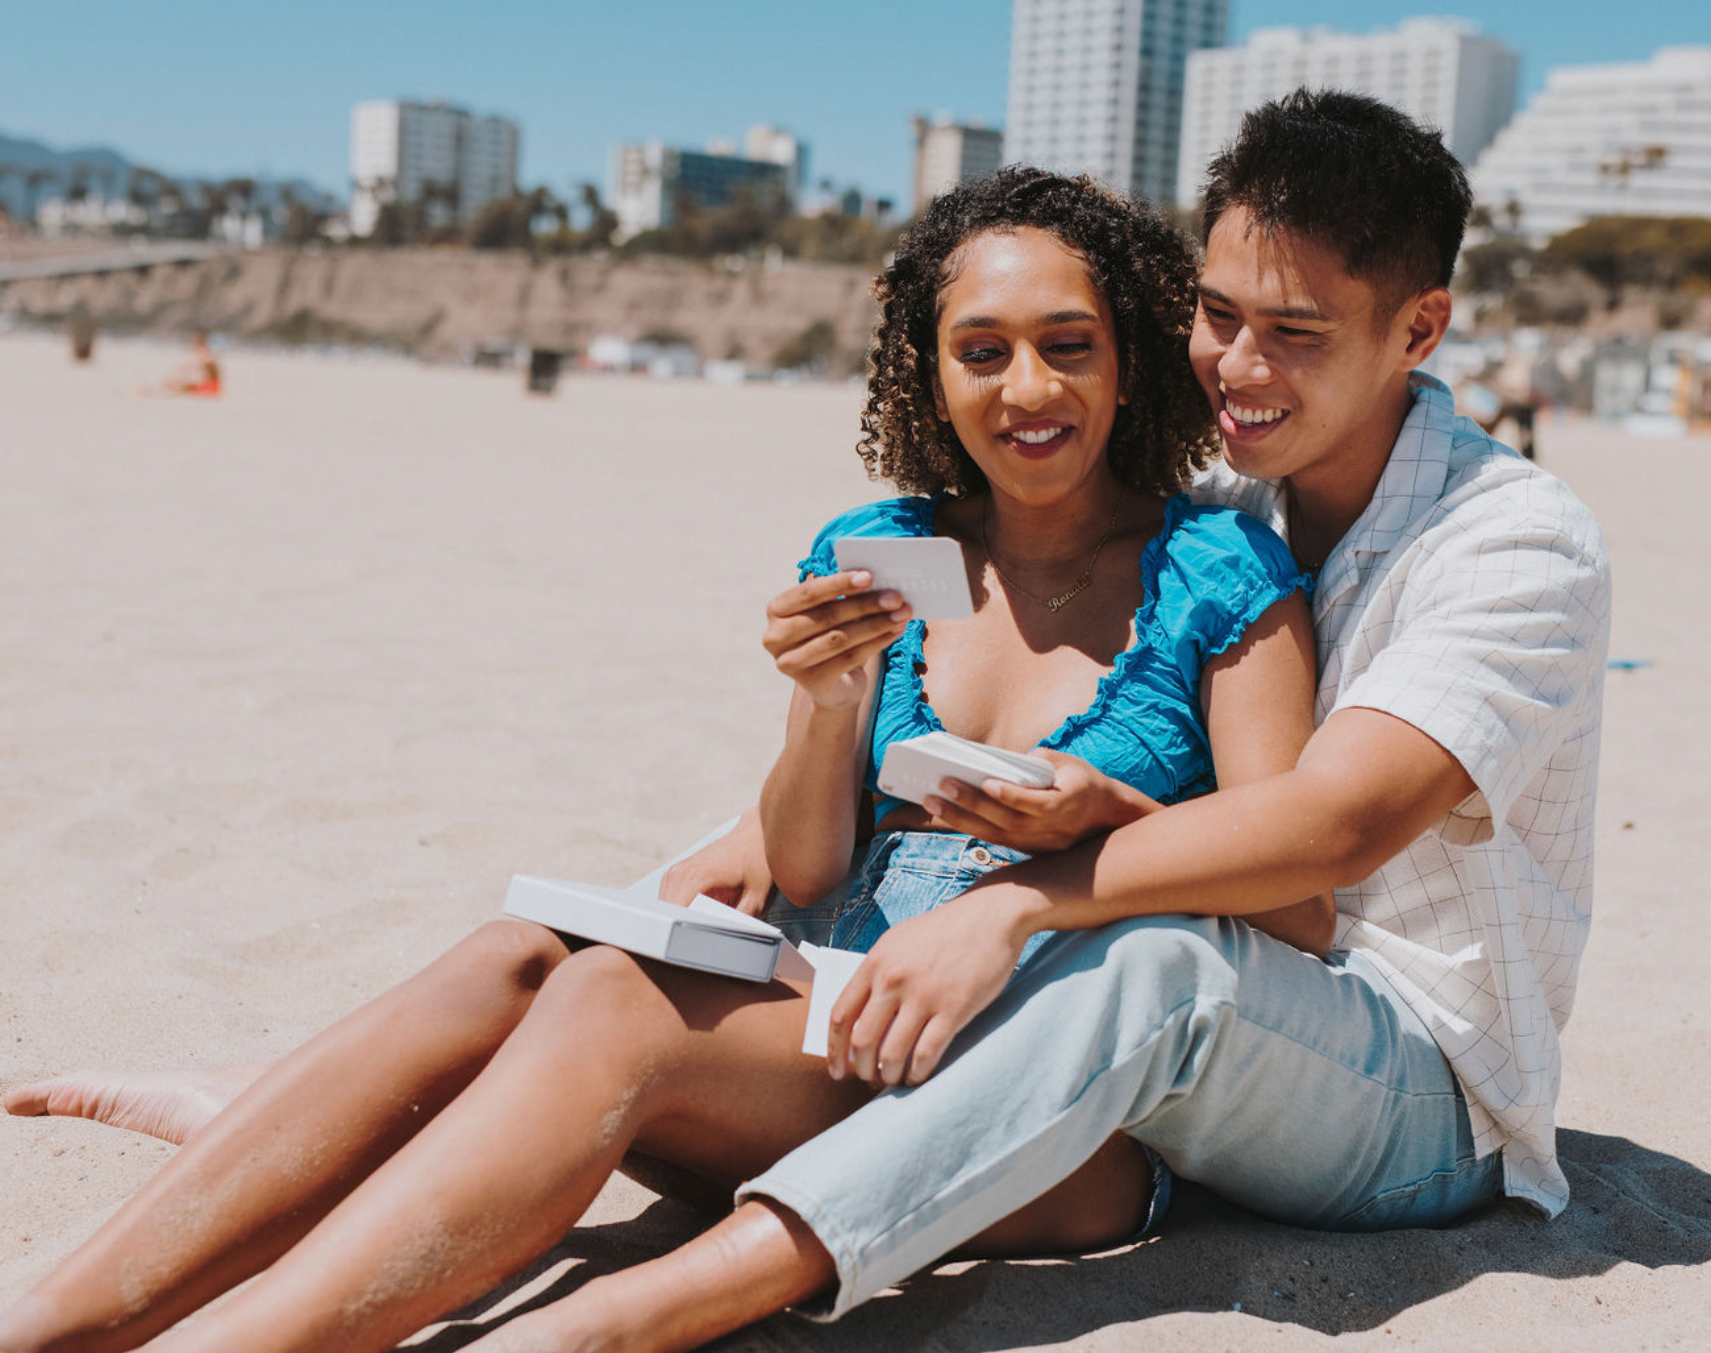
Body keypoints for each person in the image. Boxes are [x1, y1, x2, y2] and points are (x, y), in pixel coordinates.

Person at [0, 170, 1328, 1353]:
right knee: (512, 953)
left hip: (1047, 1109)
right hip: (835, 1028)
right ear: (931, 366)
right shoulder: (897, 547)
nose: (1029, 386)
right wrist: (828, 705)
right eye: (984, 348)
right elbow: (819, 861)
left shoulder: (1211, 568)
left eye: (1069, 343)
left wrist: (1106, 816)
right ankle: (41, 1325)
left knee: (606, 1004)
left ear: (1128, 351)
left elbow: (1299, 898)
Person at [438, 87, 1612, 1345]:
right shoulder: (1227, 490)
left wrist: (1018, 899)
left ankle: (628, 1320)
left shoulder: (1513, 541)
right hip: (1191, 1034)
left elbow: (1331, 828)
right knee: (658, 927)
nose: (1238, 366)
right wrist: (780, 797)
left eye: (1297, 332)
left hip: (1410, 1085)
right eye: (1217, 316)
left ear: (1419, 328)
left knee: (1152, 963)